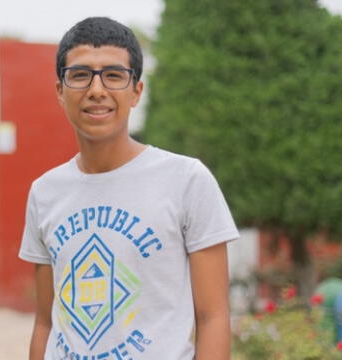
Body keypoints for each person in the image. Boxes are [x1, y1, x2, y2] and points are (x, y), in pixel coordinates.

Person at [18, 17, 239, 360]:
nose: (96, 90)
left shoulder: (186, 179)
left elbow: (213, 318)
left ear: (136, 91)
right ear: (60, 91)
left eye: (114, 75)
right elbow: (46, 323)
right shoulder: (44, 192)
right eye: (80, 75)